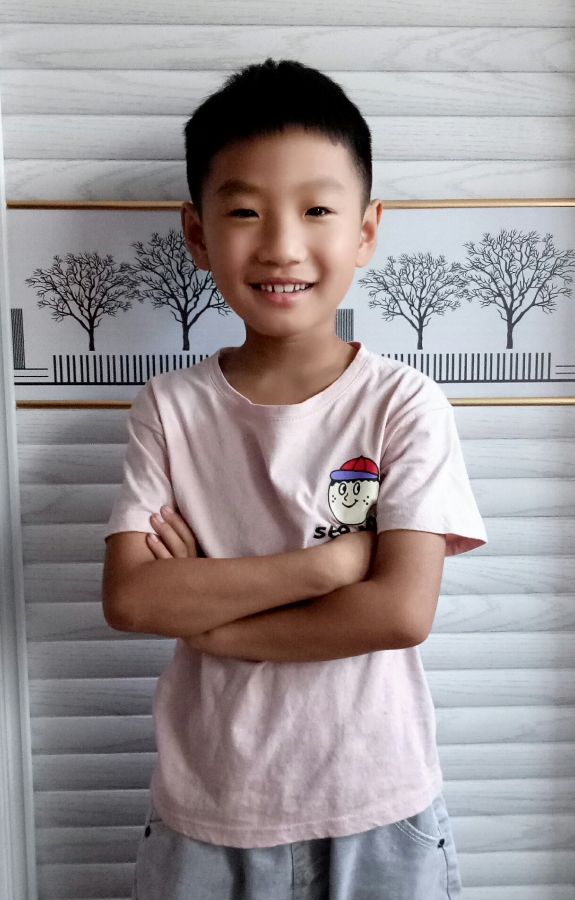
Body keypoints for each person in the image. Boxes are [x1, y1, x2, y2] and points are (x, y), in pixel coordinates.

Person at [102, 58, 488, 900]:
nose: (281, 244)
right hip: (207, 811)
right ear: (197, 234)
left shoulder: (403, 404)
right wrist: (329, 566)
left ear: (366, 231)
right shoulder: (169, 409)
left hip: (378, 805)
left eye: (316, 209)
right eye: (244, 211)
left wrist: (212, 622)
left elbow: (397, 613)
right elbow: (132, 599)